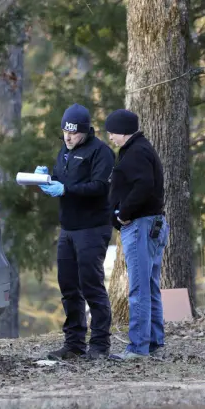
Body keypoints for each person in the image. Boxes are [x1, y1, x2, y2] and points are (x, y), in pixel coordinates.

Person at [35, 103, 116, 360]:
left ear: (86, 131)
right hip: (68, 228)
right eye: (65, 132)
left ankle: (100, 346)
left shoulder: (101, 152)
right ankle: (74, 344)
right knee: (68, 287)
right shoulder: (65, 150)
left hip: (92, 228)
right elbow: (63, 179)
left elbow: (99, 187)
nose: (68, 137)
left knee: (91, 286)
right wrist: (46, 179)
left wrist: (66, 190)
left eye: (73, 133)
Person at [104, 109, 169, 361]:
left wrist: (123, 213)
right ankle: (153, 340)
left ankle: (138, 347)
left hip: (141, 226)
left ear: (123, 131)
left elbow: (143, 185)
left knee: (139, 288)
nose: (110, 136)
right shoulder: (141, 149)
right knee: (150, 285)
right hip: (151, 224)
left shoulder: (137, 152)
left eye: (112, 132)